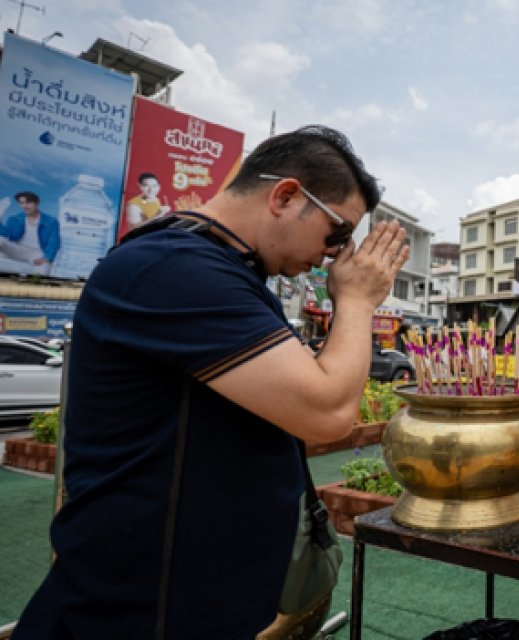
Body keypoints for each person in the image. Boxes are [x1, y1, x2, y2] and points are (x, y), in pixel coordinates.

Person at [14, 125, 409, 638]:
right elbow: (326, 414)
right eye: (337, 233)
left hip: (192, 599)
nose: (337, 255)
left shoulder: (221, 269)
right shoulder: (177, 267)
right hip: (143, 609)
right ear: (286, 196)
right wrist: (356, 301)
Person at [0, 191, 61, 275]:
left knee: (43, 270)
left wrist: (47, 257)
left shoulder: (51, 221)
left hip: (36, 253)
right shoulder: (14, 219)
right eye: (21, 203)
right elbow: (8, 235)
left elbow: (54, 242)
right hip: (17, 249)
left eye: (28, 202)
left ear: (37, 203)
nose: (24, 206)